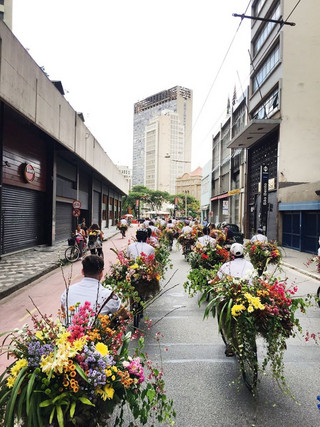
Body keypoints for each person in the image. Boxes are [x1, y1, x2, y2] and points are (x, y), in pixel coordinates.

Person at [212, 243, 254, 357]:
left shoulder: (226, 266)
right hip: (247, 297)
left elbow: (215, 280)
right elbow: (255, 281)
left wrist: (209, 283)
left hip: (229, 298)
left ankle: (230, 345)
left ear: (231, 254)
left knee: (224, 316)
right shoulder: (250, 265)